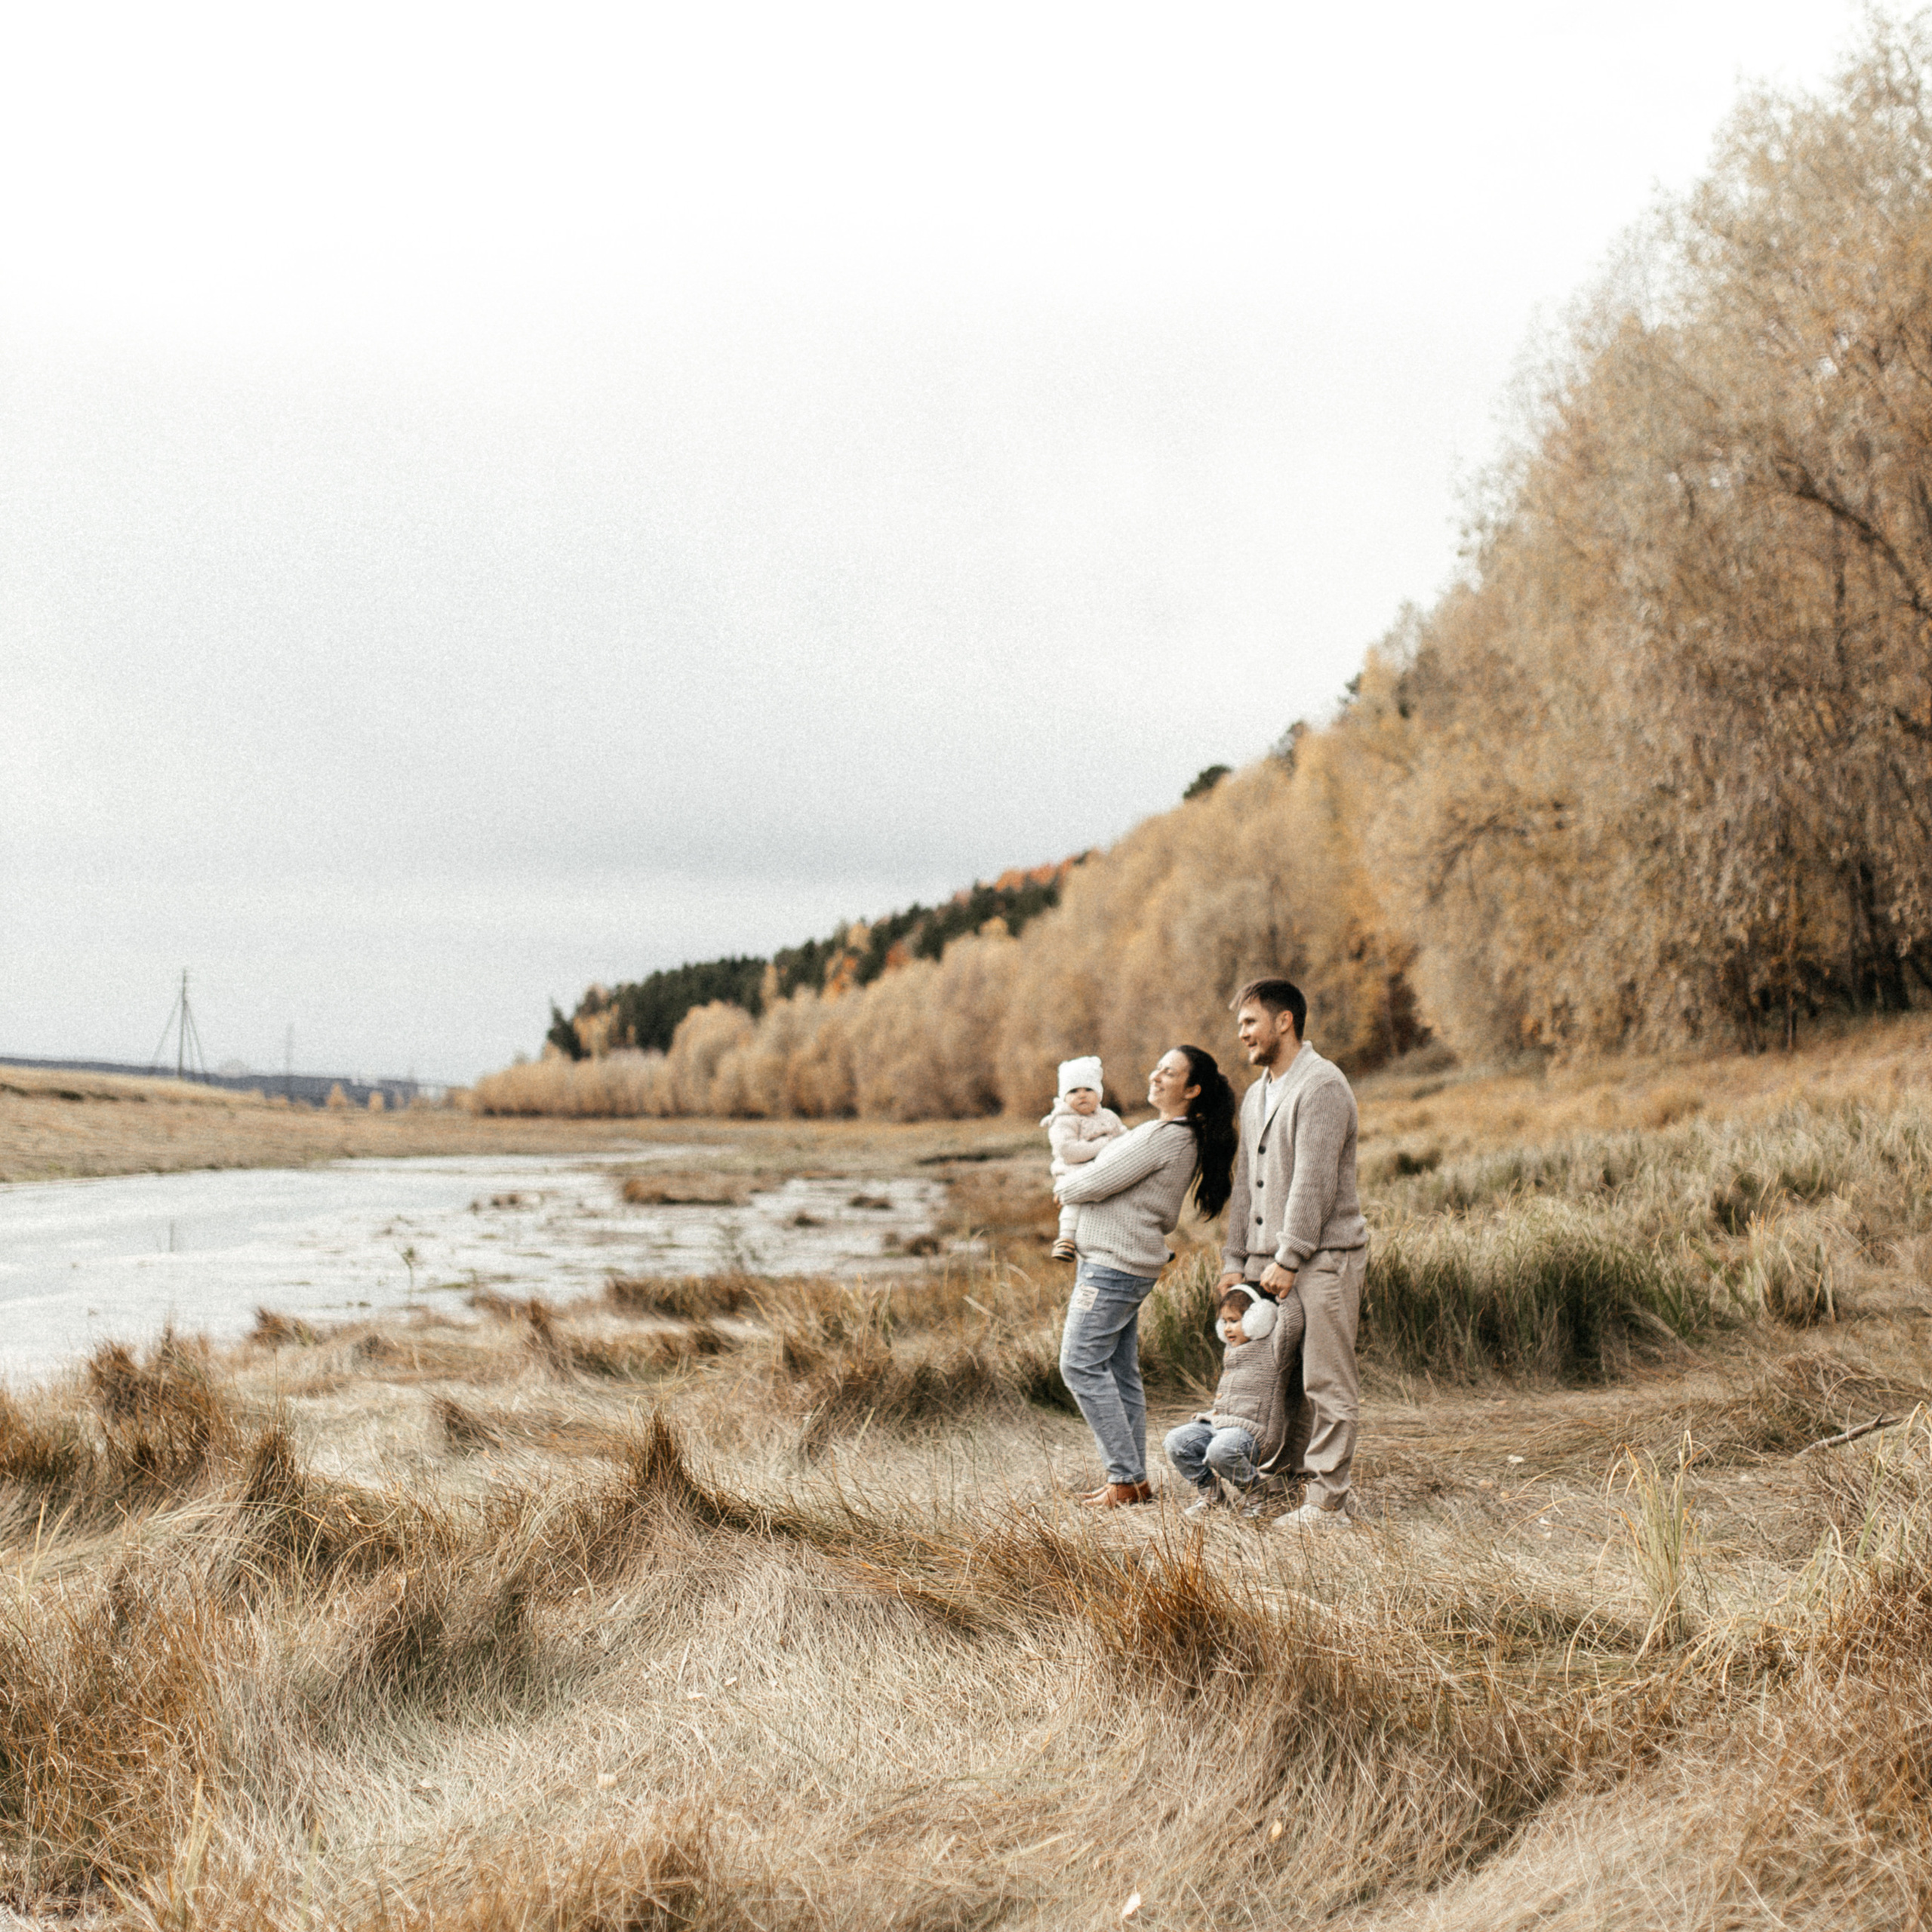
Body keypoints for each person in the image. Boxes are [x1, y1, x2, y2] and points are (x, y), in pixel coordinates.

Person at [1055, 1044, 1238, 1509]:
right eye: (1157, 1067)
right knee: (1118, 1372)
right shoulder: (1166, 1131)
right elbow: (1104, 1171)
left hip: (1113, 1267)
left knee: (1078, 1364)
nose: (1156, 1076)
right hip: (1118, 1262)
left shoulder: (1169, 1136)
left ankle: (1125, 1478)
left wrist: (1064, 1186)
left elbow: (1093, 1181)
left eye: (1169, 1072)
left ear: (1192, 1090)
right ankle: (1131, 1482)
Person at [1220, 977, 1367, 1530]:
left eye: (1250, 1022)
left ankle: (1330, 1502)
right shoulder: (1258, 1093)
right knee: (1276, 1377)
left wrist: (1291, 1256)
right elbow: (1246, 1182)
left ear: (1284, 1021)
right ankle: (1288, 1482)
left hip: (1324, 1257)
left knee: (1326, 1379)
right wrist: (1237, 1258)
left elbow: (1313, 1182)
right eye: (1240, 1025)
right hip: (1266, 1261)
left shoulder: (1322, 1085)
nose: (1243, 1034)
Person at [1163, 1282, 1306, 1520]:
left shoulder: (1274, 1349)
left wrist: (1285, 1291)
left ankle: (1256, 1492)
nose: (1227, 1329)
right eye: (1224, 1322)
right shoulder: (1232, 1348)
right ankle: (1211, 1495)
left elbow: (1292, 1324)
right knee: (1176, 1441)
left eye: (1234, 1321)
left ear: (1257, 1319)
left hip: (1253, 1432)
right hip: (1220, 1424)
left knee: (1221, 1450)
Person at [1041, 1055, 1126, 1262]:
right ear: (1063, 1096)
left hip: (1105, 1172)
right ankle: (1066, 1239)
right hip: (1073, 1171)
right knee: (1074, 1200)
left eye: (1088, 1089)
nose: (1082, 1095)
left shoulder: (1108, 1117)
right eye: (1074, 1091)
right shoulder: (1063, 1120)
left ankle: (1145, 1242)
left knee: (1127, 1199)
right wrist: (1103, 1145)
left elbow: (1126, 1138)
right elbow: (1068, 1151)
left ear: (1099, 1093)